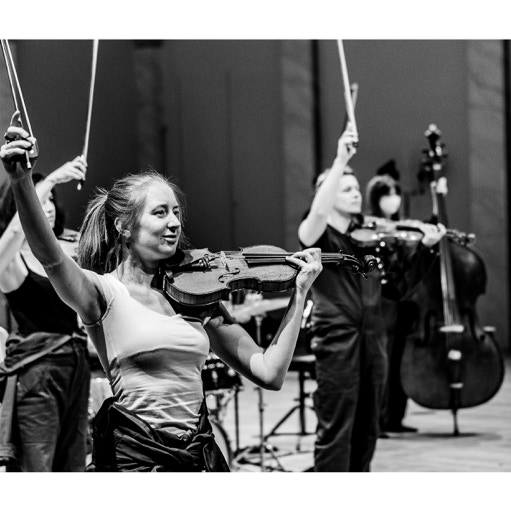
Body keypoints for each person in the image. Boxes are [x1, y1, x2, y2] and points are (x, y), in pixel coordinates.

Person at [0, 111, 322, 472]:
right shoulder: (104, 294)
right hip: (136, 459)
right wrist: (22, 180)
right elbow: (51, 257)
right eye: (160, 213)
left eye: (176, 212)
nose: (174, 223)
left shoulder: (198, 295)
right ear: (124, 226)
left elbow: (269, 372)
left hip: (197, 456)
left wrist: (299, 295)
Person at [298, 123, 446, 471]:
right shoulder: (318, 236)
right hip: (338, 341)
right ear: (327, 194)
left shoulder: (370, 240)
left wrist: (425, 250)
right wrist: (340, 161)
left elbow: (398, 288)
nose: (356, 193)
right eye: (345, 188)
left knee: (368, 431)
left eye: (355, 188)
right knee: (337, 431)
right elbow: (317, 214)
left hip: (374, 340)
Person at [0, 154, 90, 471]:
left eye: (51, 198)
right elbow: (15, 233)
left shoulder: (68, 252)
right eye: (41, 199)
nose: (48, 206)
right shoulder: (9, 262)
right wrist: (49, 179)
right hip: (38, 369)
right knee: (37, 469)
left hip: (77, 364)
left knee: (73, 467)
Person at [365, 171, 418, 435]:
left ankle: (396, 416)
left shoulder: (403, 229)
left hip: (404, 299)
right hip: (382, 301)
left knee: (400, 360)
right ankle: (380, 418)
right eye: (388, 194)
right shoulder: (368, 229)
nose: (394, 199)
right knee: (384, 358)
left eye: (396, 193)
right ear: (376, 199)